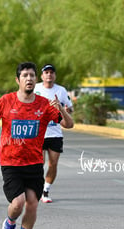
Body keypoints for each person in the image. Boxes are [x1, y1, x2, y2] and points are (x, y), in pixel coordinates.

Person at [0, 62, 73, 229]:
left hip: (34, 163)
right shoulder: (6, 100)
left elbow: (69, 124)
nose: (29, 78)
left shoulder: (44, 104)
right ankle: (9, 223)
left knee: (32, 203)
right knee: (18, 203)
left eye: (32, 75)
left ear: (35, 79)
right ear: (18, 80)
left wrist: (61, 109)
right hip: (11, 162)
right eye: (25, 75)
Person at [35, 64, 74, 203]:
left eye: (51, 72)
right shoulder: (35, 88)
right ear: (42, 76)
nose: (49, 75)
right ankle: (36, 189)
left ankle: (46, 191)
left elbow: (70, 109)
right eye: (46, 72)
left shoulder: (61, 91)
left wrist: (62, 110)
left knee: (53, 164)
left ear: (55, 76)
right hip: (38, 133)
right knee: (39, 164)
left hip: (55, 133)